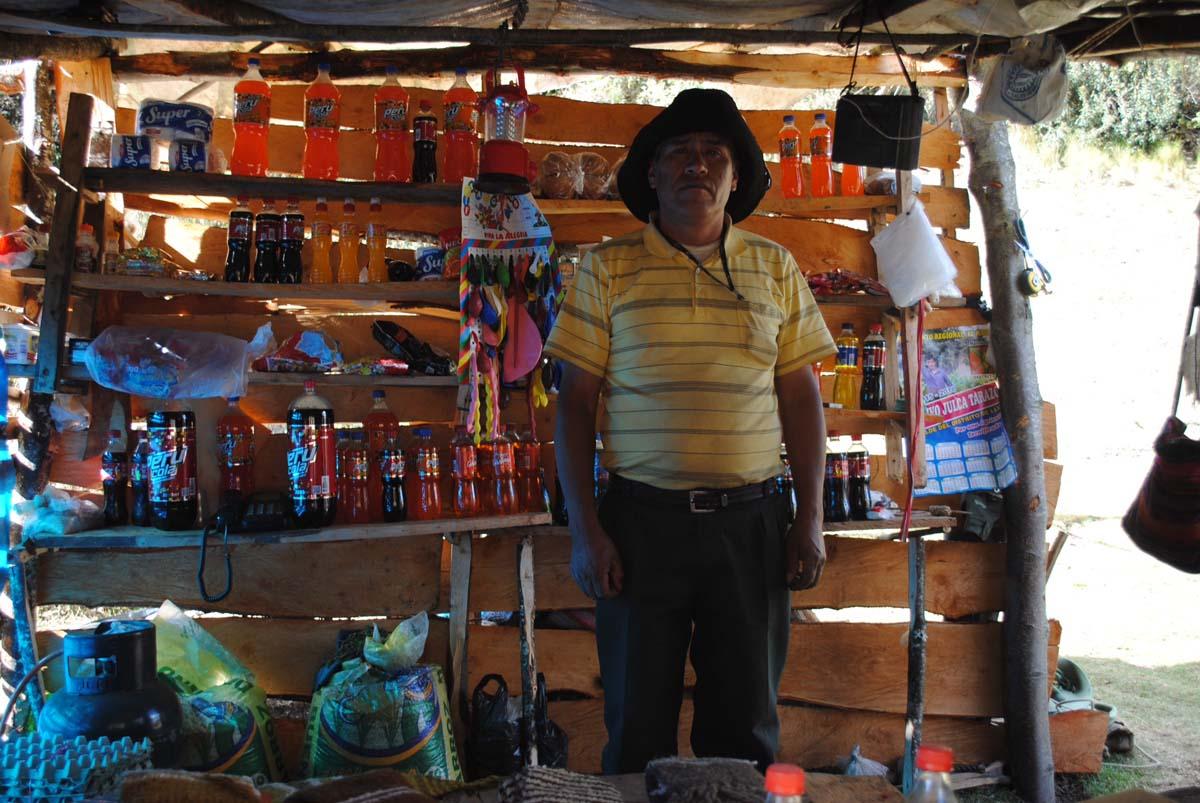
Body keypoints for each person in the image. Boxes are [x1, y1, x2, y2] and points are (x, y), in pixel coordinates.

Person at [543, 89, 836, 775]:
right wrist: (587, 533)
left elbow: (801, 397)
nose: (696, 166)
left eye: (714, 155)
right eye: (678, 153)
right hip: (641, 526)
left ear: (737, 178)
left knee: (745, 731)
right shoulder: (607, 268)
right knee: (637, 726)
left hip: (753, 526)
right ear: (652, 174)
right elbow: (575, 405)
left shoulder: (776, 268)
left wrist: (811, 520)